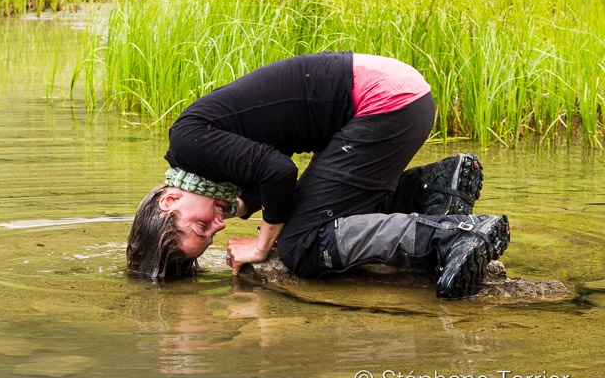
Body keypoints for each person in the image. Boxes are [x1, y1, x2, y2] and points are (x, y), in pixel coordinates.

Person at [126, 51, 510, 300]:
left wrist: (262, 247)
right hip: (402, 97)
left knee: (301, 247)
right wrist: (244, 207)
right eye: (208, 237)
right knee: (322, 216)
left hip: (382, 103)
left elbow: (279, 172)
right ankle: (434, 189)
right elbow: (275, 179)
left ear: (170, 199)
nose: (217, 229)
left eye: (199, 227)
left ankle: (451, 236)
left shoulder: (189, 141)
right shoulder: (197, 157)